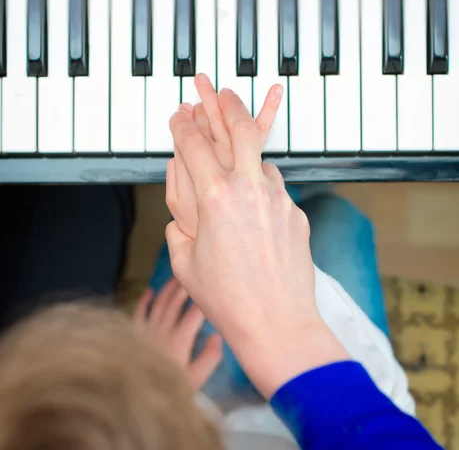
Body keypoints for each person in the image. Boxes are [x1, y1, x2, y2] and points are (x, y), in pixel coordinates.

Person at [0, 74, 444, 449]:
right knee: (334, 222)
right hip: (222, 415)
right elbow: (389, 416)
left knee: (233, 223)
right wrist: (278, 306)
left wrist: (147, 386)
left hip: (187, 400)